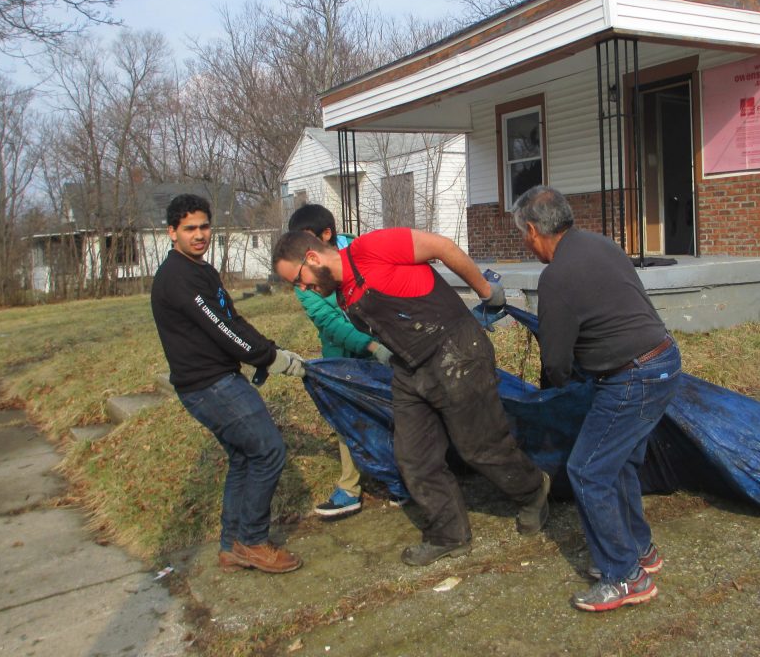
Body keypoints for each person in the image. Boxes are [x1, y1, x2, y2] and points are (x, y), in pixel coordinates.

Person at [271, 223, 551, 566]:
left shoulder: (373, 248)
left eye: (299, 279)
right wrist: (380, 349)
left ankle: (534, 490)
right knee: (413, 457)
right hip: (410, 369)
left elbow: (443, 247)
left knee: (480, 446)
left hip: (456, 349)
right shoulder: (343, 292)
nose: (303, 289)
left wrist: (484, 290)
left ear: (312, 257)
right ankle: (449, 534)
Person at [512, 185, 682, 613]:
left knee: (587, 470)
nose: (525, 243)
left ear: (533, 230)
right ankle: (640, 551)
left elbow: (556, 363)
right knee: (619, 463)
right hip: (663, 359)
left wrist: (560, 389)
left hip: (632, 376)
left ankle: (625, 577)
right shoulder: (601, 245)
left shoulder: (556, 276)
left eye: (523, 235)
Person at [151, 193, 307, 574]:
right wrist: (269, 358)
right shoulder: (177, 277)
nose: (199, 234)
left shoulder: (200, 270)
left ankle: (230, 546)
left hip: (218, 378)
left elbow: (232, 318)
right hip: (209, 386)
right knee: (268, 450)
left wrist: (270, 350)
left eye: (204, 226)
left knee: (245, 457)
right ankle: (253, 542)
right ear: (172, 232)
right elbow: (221, 329)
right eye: (190, 228)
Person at [286, 204, 402, 518]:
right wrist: (370, 346)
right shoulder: (303, 276)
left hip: (387, 345)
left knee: (393, 411)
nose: (302, 251)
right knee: (347, 419)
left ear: (326, 235)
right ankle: (350, 488)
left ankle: (402, 480)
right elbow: (329, 322)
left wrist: (385, 342)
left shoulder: (359, 252)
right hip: (343, 355)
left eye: (306, 240)